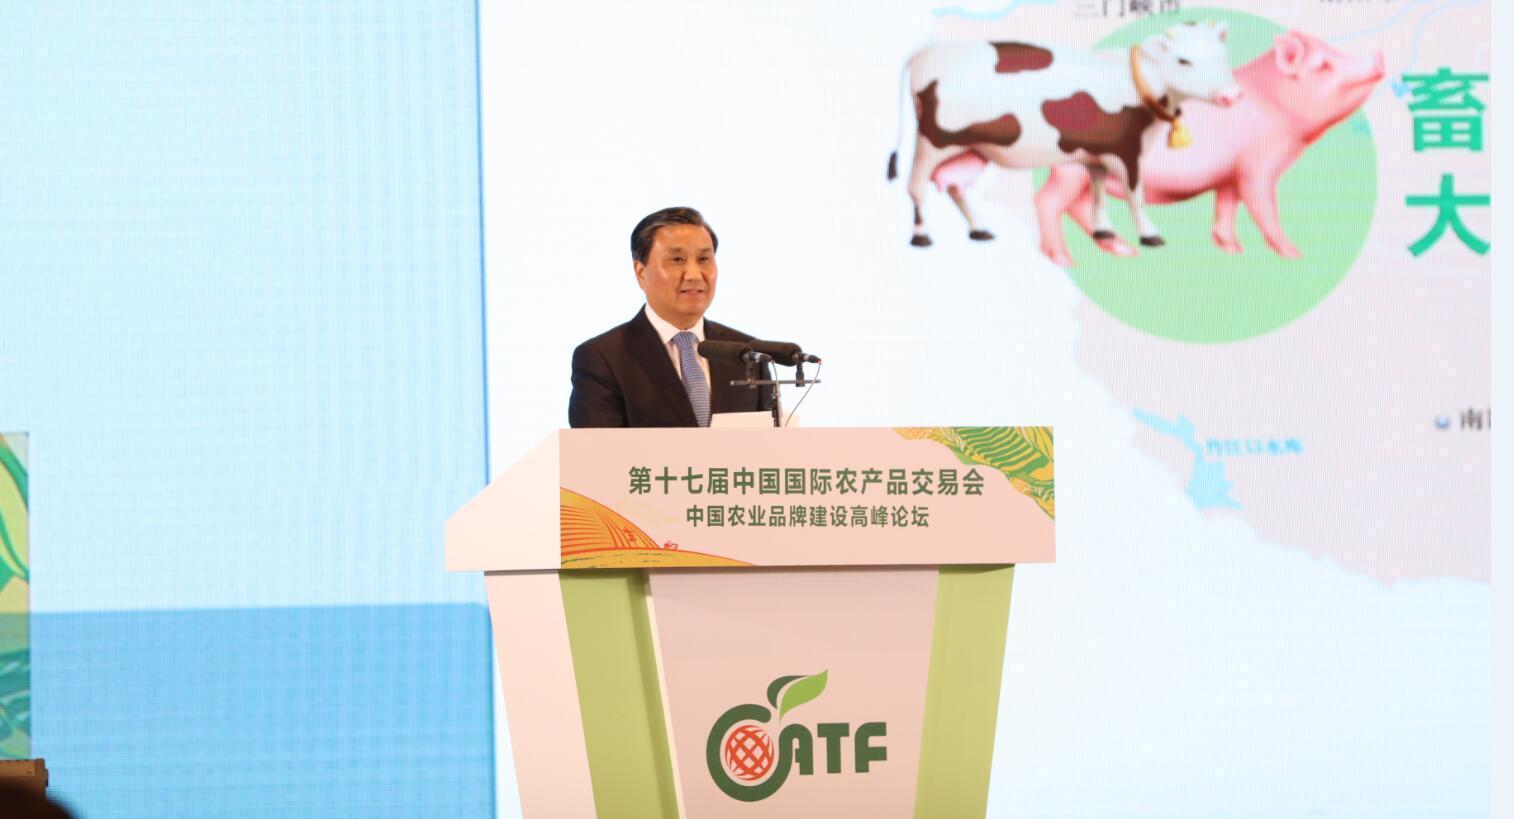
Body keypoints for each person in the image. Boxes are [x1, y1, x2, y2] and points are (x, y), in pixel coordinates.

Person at [569, 206, 773, 428]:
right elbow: (594, 448)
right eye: (677, 259)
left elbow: (770, 443)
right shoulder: (603, 358)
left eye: (704, 259)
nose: (694, 274)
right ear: (641, 272)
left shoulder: (746, 354)